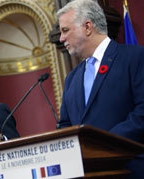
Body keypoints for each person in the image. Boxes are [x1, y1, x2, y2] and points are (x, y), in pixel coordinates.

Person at [57, 0, 144, 178]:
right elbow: (65, 126)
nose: (61, 38)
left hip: (130, 168)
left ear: (87, 27)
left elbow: (142, 113)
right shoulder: (72, 79)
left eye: (65, 30)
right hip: (88, 172)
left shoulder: (134, 58)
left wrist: (102, 144)